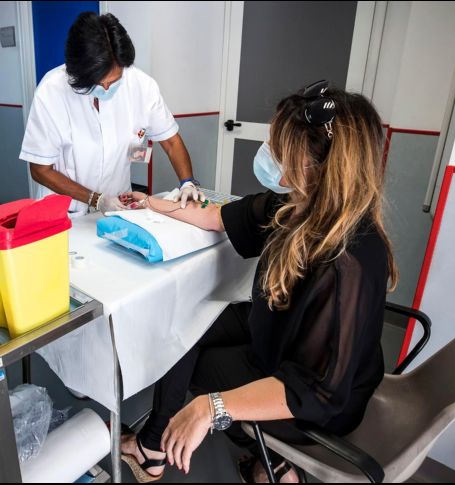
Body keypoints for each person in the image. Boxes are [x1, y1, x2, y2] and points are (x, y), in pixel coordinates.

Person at [119, 81, 398, 482]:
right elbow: (219, 216)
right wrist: (151, 203)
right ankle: (158, 444)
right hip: (280, 335)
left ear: (312, 163)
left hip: (319, 400)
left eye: (281, 146)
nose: (271, 152)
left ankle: (256, 459)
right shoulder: (300, 205)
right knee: (186, 323)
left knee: (198, 367)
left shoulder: (344, 263)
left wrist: (209, 408)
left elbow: (314, 392)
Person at [19, 12, 203, 216]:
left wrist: (188, 182)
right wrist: (96, 199)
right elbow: (40, 169)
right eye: (99, 82)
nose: (107, 88)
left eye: (115, 81)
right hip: (65, 213)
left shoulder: (142, 86)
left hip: (119, 205)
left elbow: (171, 142)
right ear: (79, 72)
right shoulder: (51, 91)